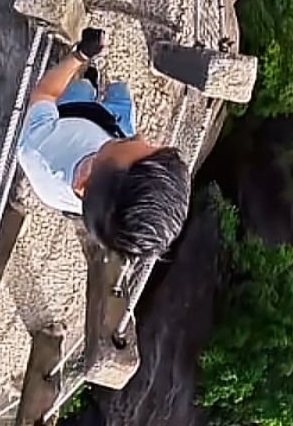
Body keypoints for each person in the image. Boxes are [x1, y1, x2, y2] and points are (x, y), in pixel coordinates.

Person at [17, 26, 190, 257]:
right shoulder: (108, 205)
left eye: (125, 144)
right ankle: (97, 86)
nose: (140, 136)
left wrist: (80, 55)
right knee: (121, 92)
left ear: (84, 179)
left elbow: (45, 94)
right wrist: (119, 142)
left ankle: (90, 83)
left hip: (72, 114)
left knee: (82, 88)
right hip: (112, 126)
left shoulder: (38, 149)